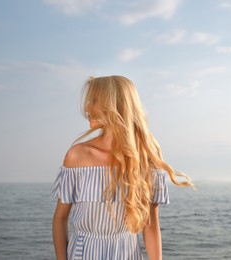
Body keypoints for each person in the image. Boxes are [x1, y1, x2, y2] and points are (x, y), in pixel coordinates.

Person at [52, 75, 193, 260]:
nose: (87, 108)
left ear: (114, 105)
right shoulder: (77, 156)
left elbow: (150, 225)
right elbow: (60, 218)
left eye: (93, 101)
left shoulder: (146, 159)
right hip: (82, 254)